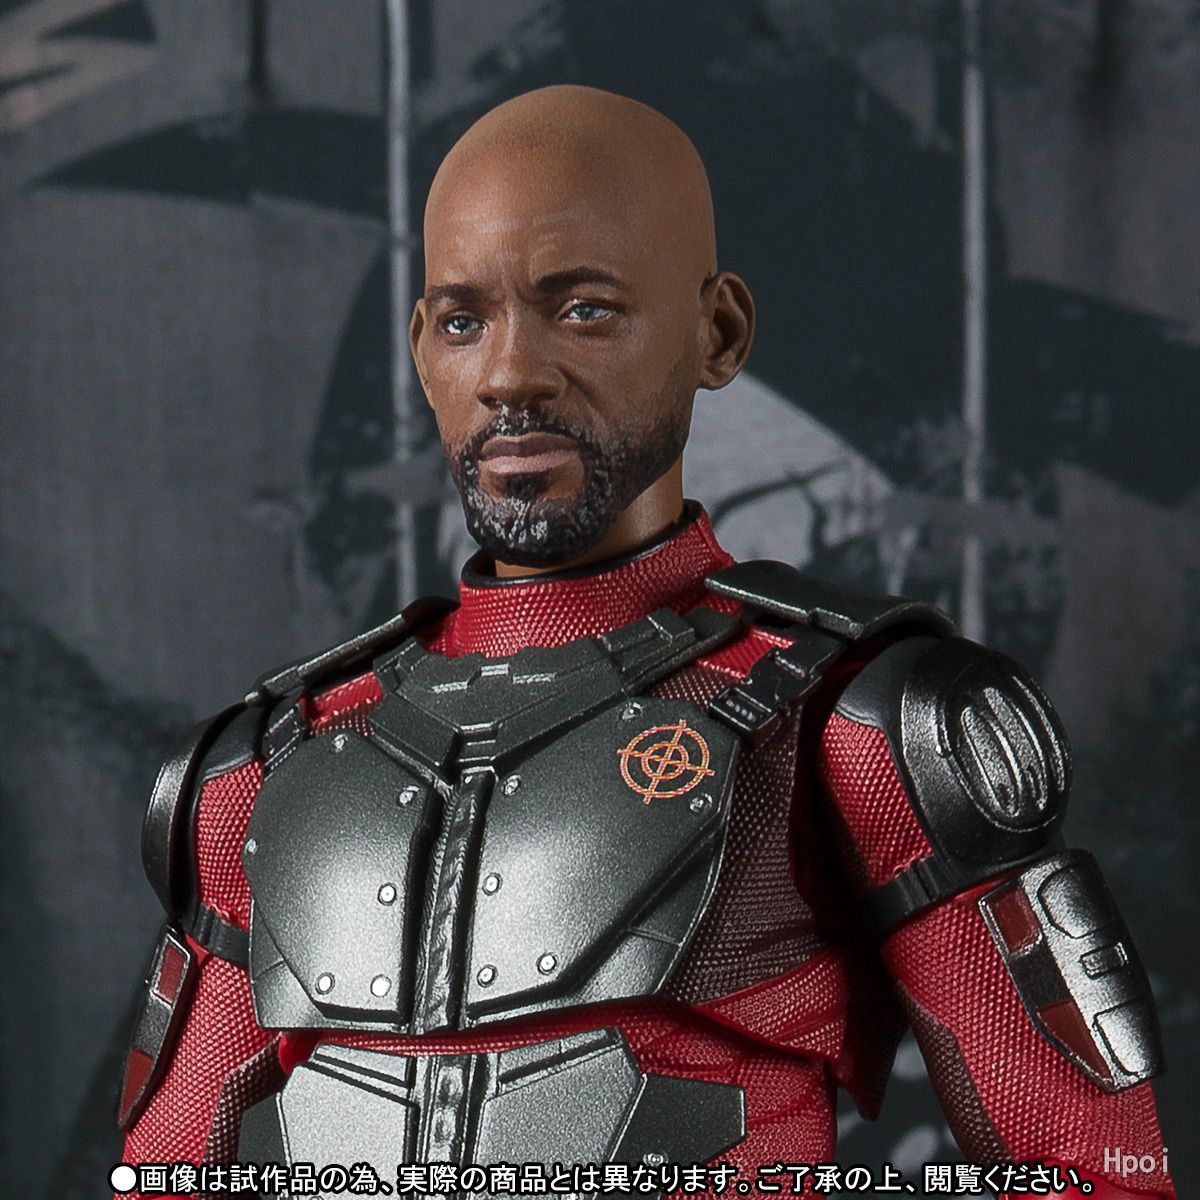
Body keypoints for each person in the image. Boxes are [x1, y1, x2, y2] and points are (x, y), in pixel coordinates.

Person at [116, 85, 1175, 1200]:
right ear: (424, 350)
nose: (511, 376)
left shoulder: (856, 728)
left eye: (582, 310)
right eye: (465, 321)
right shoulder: (270, 763)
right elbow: (161, 1178)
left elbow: (1097, 1175)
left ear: (718, 334)